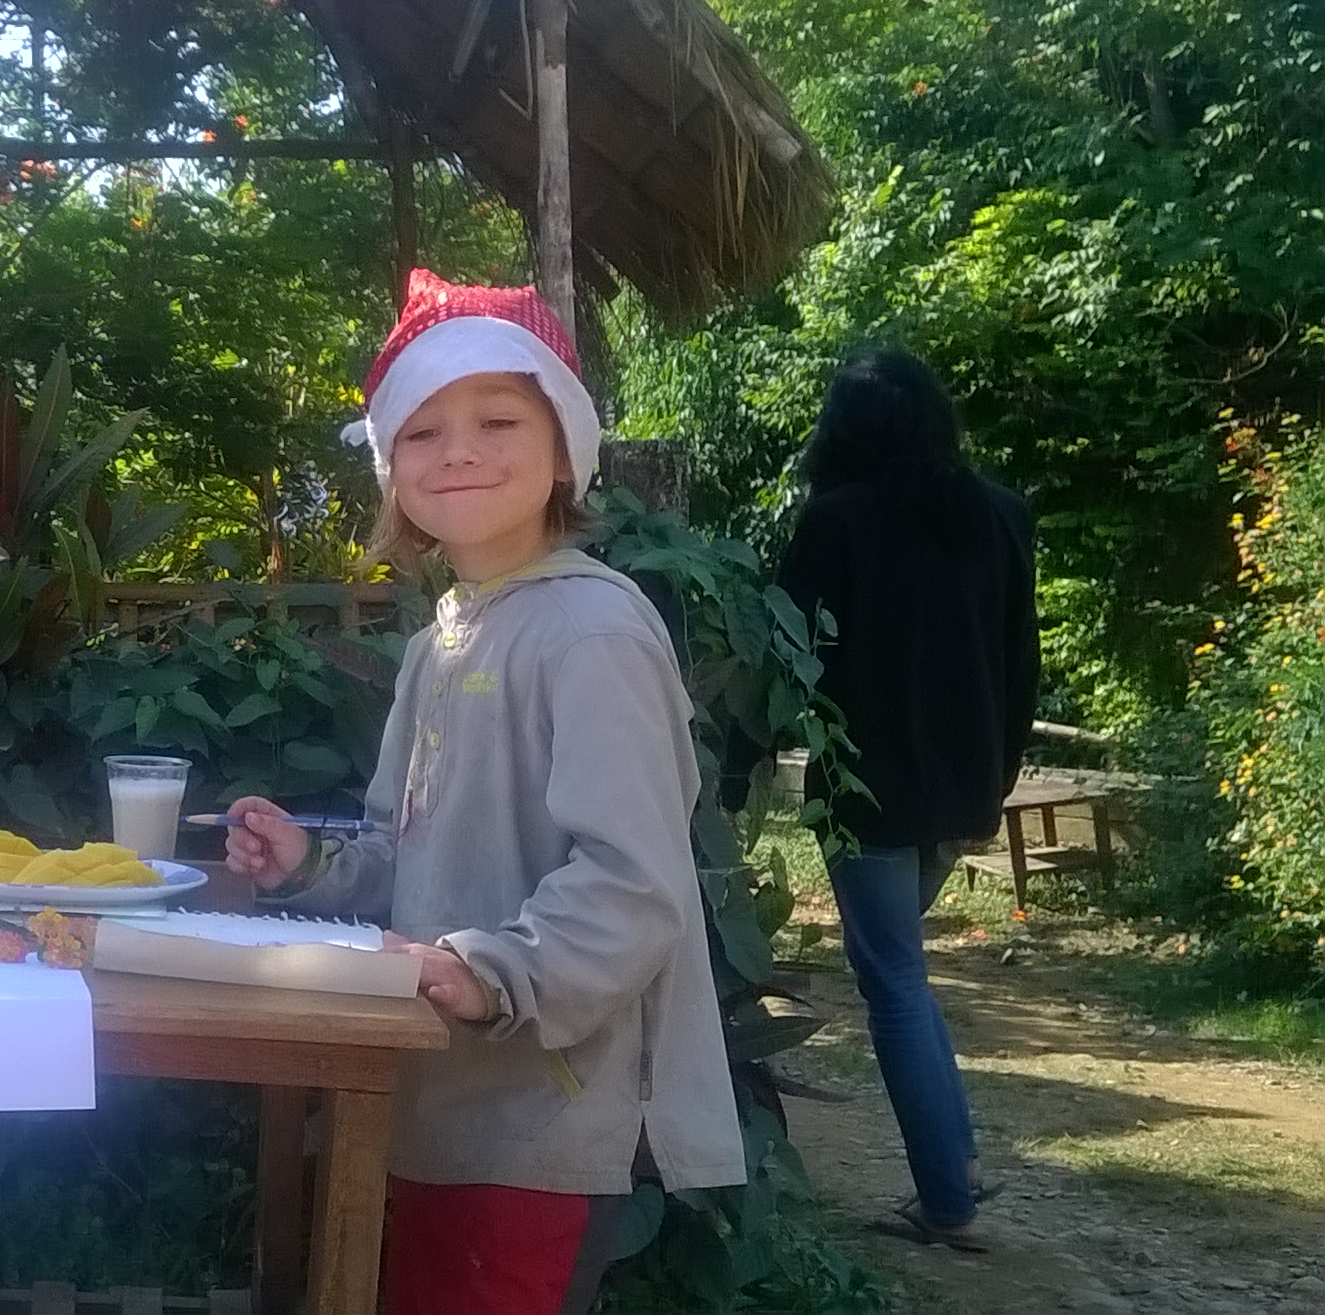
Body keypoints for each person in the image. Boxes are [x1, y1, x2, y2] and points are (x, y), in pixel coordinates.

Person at [225, 273, 743, 1315]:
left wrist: (492, 968)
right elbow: (404, 850)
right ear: (390, 467)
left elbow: (633, 884)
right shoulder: (441, 640)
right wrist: (313, 865)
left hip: (539, 1121)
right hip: (431, 1099)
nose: (458, 451)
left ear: (566, 451)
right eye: (422, 432)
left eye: (498, 420)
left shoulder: (593, 631)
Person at [731, 347, 1037, 1252]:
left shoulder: (836, 521)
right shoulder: (1002, 515)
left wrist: (736, 766)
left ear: (843, 430)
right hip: (964, 787)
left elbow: (782, 665)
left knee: (895, 980)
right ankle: (957, 1167)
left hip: (867, 793)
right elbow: (1021, 663)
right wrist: (999, 775)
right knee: (907, 973)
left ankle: (948, 1202)